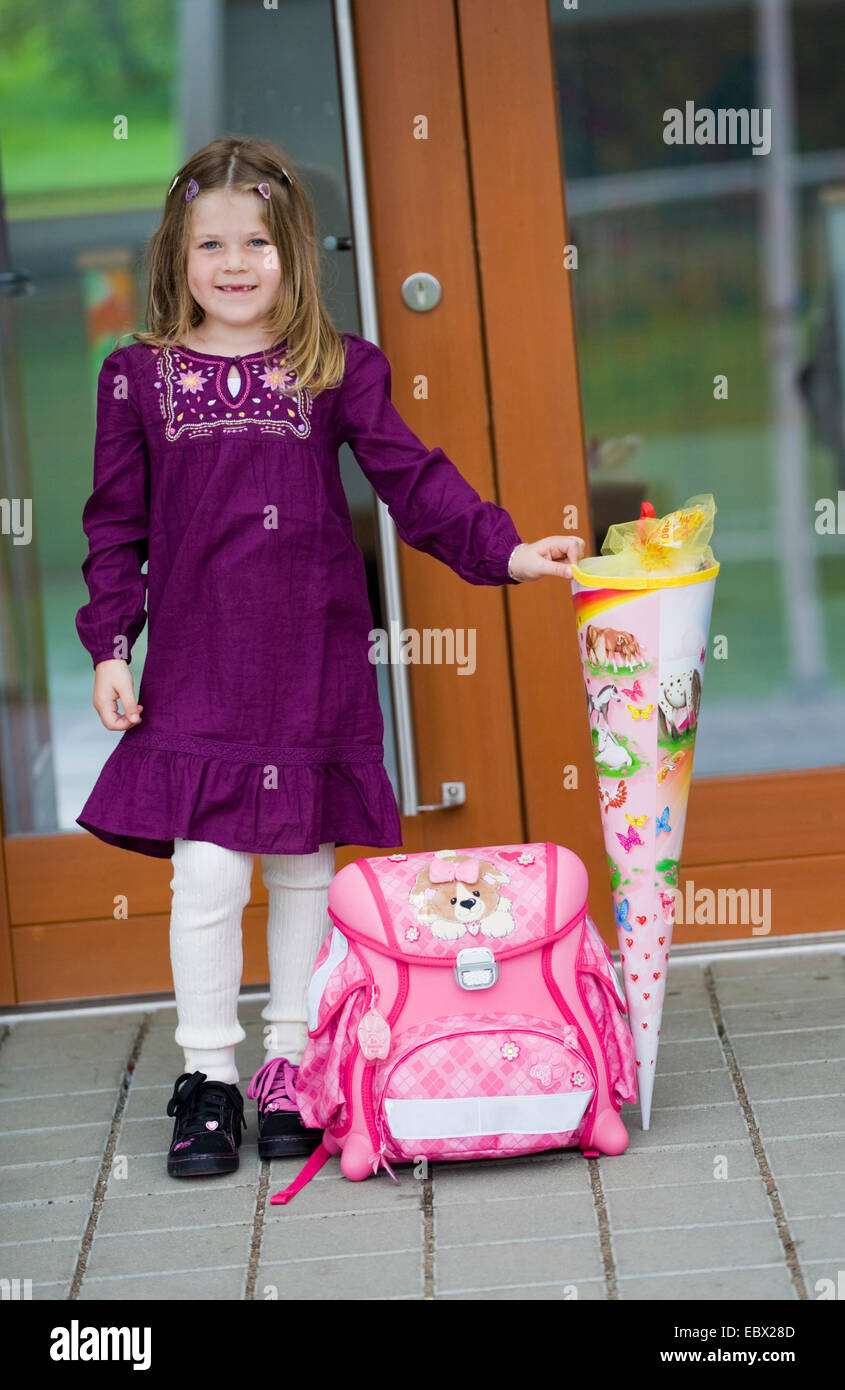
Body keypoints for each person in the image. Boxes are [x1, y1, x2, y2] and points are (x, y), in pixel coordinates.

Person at [75, 135, 585, 1178]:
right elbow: (112, 526)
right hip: (196, 669)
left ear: (292, 255)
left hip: (308, 658)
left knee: (304, 863)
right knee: (208, 872)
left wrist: (505, 548)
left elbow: (413, 478)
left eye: (256, 241)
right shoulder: (135, 379)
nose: (233, 262)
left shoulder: (335, 369)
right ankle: (209, 1077)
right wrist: (109, 646)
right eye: (210, 242)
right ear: (175, 254)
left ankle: (293, 1065)